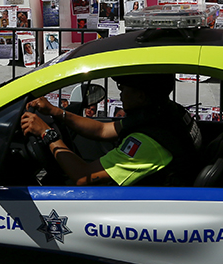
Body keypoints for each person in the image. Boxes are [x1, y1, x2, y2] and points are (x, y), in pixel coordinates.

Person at [20, 74, 201, 186]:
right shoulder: (163, 112)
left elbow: (83, 177)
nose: (120, 92)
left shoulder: (148, 143)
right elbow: (102, 130)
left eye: (124, 87)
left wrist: (47, 134)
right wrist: (57, 112)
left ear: (141, 95)